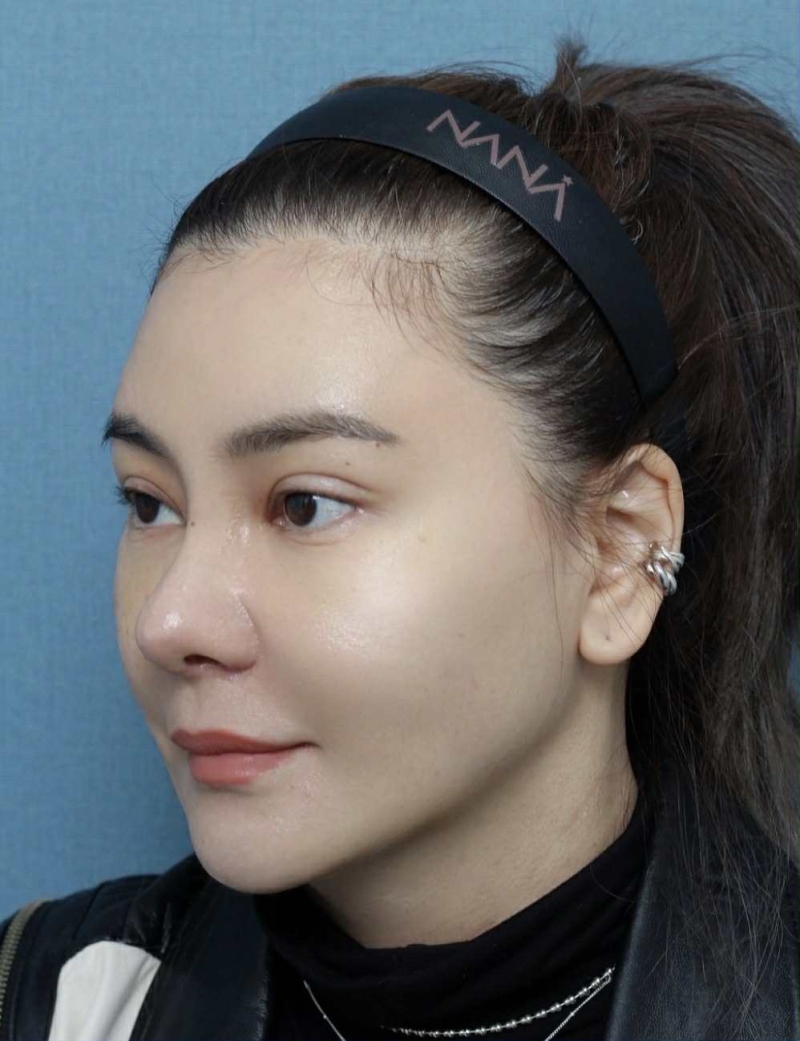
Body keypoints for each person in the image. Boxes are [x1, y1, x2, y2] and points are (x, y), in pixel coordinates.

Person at [0, 36, 797, 1041]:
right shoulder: (55, 1003)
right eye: (149, 502)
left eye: (304, 504)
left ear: (616, 548)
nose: (171, 621)